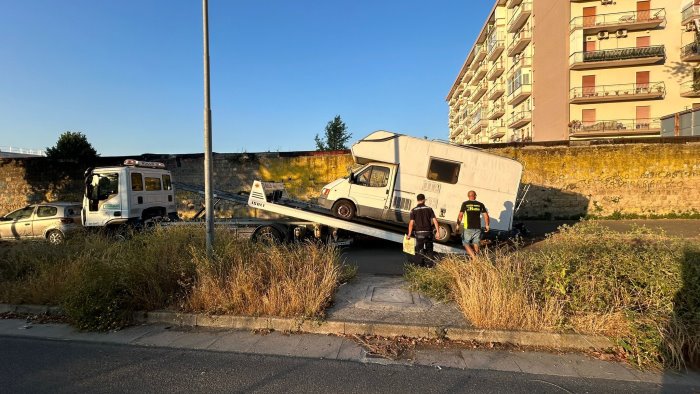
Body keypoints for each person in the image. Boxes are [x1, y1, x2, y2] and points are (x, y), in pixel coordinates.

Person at [407, 194, 440, 267]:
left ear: (417, 200)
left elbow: (411, 223)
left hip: (419, 233)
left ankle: (420, 265)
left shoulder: (413, 210)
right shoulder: (429, 209)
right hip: (428, 232)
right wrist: (438, 232)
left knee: (419, 249)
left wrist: (409, 234)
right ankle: (430, 266)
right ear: (424, 200)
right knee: (429, 249)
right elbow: (435, 221)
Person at [457, 190, 490, 259]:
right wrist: (487, 225)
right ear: (475, 196)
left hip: (468, 227)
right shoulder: (480, 204)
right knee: (476, 243)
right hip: (478, 228)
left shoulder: (465, 204)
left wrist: (458, 225)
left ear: (468, 196)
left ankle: (475, 258)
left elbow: (460, 215)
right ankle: (476, 260)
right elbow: (486, 216)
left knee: (465, 243)